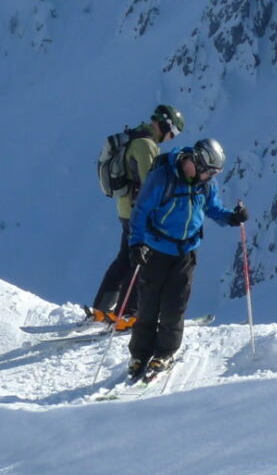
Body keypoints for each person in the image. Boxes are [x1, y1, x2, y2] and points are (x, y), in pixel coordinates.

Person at [125, 137, 247, 379]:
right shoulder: (162, 178)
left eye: (214, 173)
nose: (210, 177)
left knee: (175, 304)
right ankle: (139, 354)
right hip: (156, 249)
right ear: (196, 162)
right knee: (149, 303)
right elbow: (140, 211)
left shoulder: (205, 184)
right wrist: (136, 243)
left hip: (186, 252)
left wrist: (232, 217)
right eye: (208, 172)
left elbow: (212, 208)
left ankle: (164, 353)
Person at [88, 104, 185, 327]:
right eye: (173, 132)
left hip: (125, 209)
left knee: (124, 259)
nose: (171, 138)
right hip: (138, 213)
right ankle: (127, 315)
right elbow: (151, 183)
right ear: (166, 125)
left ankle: (101, 310)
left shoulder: (134, 136)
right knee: (140, 261)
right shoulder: (146, 145)